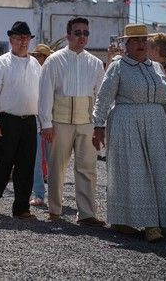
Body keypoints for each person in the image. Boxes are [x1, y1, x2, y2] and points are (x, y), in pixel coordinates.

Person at [92, 23, 166, 242]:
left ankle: (158, 219)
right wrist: (98, 126)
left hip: (157, 126)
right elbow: (103, 98)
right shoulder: (118, 66)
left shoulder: (157, 67)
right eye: (136, 41)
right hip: (127, 124)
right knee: (134, 173)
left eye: (144, 40)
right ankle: (141, 223)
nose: (141, 44)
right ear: (127, 44)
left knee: (158, 170)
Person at [38, 18, 106, 226]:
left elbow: (99, 96)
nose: (82, 37)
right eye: (78, 33)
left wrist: (99, 125)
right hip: (59, 122)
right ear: (68, 35)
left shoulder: (95, 63)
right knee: (57, 167)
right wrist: (46, 123)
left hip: (86, 122)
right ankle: (55, 210)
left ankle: (86, 213)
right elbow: (45, 93)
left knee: (87, 168)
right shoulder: (54, 60)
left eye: (86, 33)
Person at [0, 21, 41, 220]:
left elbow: (40, 94)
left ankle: (22, 208)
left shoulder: (35, 64)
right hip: (6, 119)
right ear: (11, 40)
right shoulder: (1, 63)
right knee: (4, 162)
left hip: (29, 120)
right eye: (19, 38)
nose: (23, 42)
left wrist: (42, 121)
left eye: (26, 38)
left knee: (26, 165)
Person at [28, 43, 54, 207]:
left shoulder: (53, 73)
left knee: (54, 160)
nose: (36, 58)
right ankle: (39, 193)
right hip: (36, 122)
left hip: (52, 121)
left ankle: (54, 194)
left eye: (39, 56)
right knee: (36, 160)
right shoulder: (32, 72)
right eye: (36, 55)